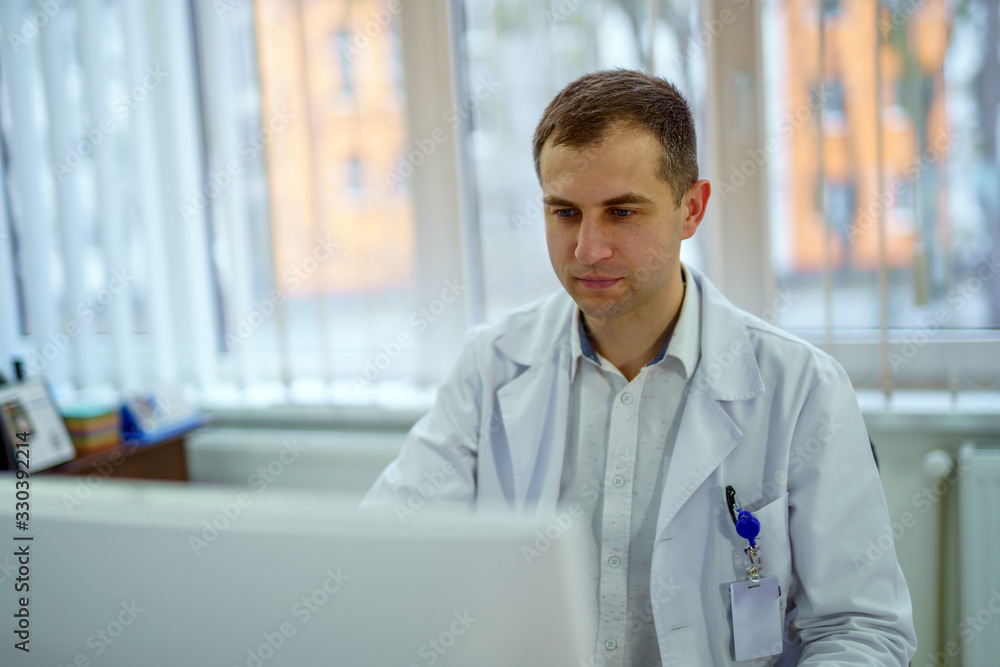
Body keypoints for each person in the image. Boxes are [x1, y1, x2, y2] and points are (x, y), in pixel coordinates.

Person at [361, 69, 916, 666]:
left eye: (622, 213)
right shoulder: (490, 368)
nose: (588, 249)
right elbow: (389, 559)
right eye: (565, 212)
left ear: (691, 210)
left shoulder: (802, 388)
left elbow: (861, 630)